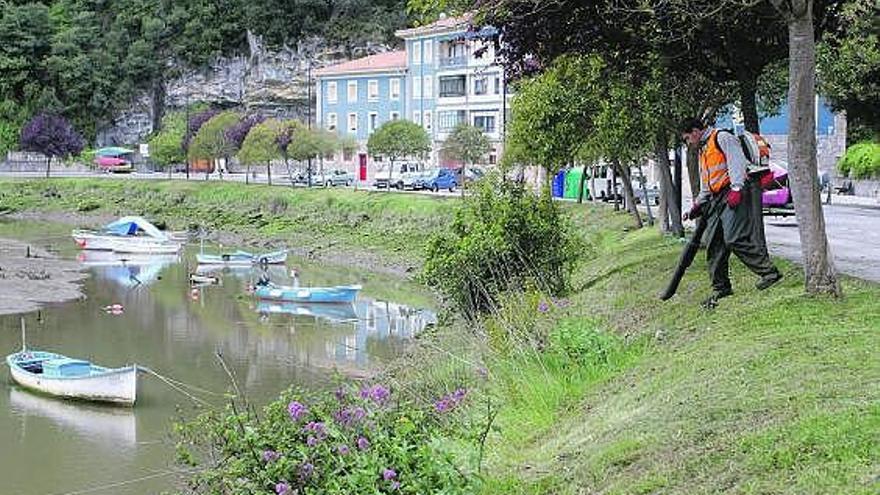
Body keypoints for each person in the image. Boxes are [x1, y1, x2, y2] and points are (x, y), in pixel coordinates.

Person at [680, 118, 783, 309]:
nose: (688, 143)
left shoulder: (722, 138)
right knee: (713, 242)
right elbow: (708, 182)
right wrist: (696, 206)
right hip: (717, 198)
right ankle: (721, 288)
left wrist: (736, 188)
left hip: (734, 192)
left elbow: (737, 162)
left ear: (695, 131)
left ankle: (769, 273)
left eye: (687, 138)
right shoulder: (704, 150)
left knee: (734, 237)